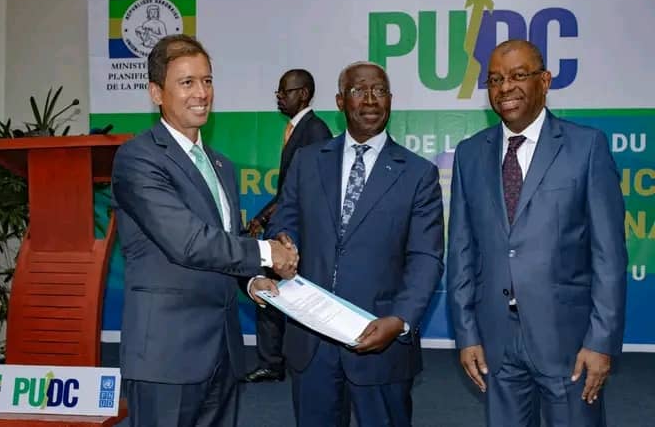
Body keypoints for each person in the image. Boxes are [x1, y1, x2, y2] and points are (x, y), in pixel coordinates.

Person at [111, 34, 298, 427]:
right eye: (187, 82)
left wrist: (251, 282)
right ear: (156, 93)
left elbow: (226, 242)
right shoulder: (138, 158)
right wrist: (268, 253)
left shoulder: (222, 165)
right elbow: (189, 242)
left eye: (207, 81)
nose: (201, 93)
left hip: (223, 352)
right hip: (166, 355)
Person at [447, 39, 627, 426]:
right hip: (496, 339)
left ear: (544, 81)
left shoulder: (586, 147)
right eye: (495, 79)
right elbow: (461, 251)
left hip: (569, 341)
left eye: (518, 76)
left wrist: (601, 341)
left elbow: (609, 256)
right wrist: (466, 333)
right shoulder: (469, 154)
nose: (505, 88)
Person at [266, 61, 444, 426]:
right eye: (359, 91)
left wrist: (400, 319)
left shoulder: (418, 173)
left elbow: (426, 257)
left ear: (390, 99)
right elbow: (285, 220)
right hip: (312, 342)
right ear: (340, 101)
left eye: (379, 91)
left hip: (381, 340)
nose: (370, 100)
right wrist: (283, 240)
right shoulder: (307, 161)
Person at [245, 69, 333, 383]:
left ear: (304, 94)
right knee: (268, 290)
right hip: (286, 225)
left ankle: (277, 362)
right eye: (279, 92)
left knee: (278, 291)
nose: (279, 97)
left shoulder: (316, 131)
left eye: (286, 91)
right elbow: (288, 190)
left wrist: (268, 219)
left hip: (299, 233)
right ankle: (274, 361)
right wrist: (262, 217)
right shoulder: (299, 129)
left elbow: (309, 190)